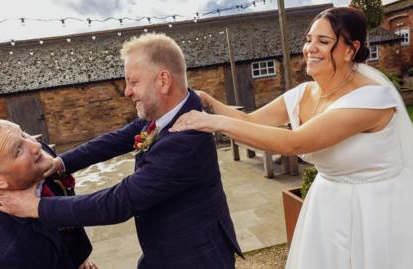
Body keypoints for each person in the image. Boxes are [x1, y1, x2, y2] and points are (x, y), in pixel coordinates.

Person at [170, 7, 413, 269]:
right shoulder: (304, 93)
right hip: (327, 203)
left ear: (350, 50)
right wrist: (206, 99)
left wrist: (213, 122)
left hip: (375, 207)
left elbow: (294, 142)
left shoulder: (371, 99)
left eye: (324, 41)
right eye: (309, 39)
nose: (310, 48)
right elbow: (251, 121)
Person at [0, 33, 243, 269]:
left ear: (163, 81)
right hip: (165, 245)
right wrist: (60, 163)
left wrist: (36, 207)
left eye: (133, 82)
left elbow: (118, 202)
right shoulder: (168, 110)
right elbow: (116, 139)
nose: (127, 92)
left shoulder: (186, 141)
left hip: (193, 255)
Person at [0, 118, 95, 269]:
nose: (36, 145)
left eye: (23, 134)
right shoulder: (7, 257)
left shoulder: (34, 160)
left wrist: (80, 258)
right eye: (18, 151)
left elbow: (64, 196)